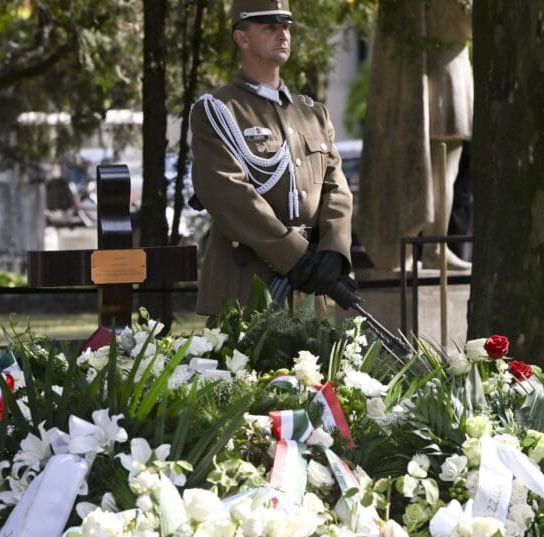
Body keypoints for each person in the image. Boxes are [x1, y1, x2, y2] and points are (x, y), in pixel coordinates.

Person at [190, 0, 356, 317]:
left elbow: (337, 188)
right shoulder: (218, 110)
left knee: (319, 368)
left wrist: (334, 250)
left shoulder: (312, 112)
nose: (282, 34)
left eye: (286, 27)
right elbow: (228, 194)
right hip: (244, 287)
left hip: (312, 286)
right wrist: (293, 255)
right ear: (242, 37)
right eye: (269, 26)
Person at [355, 0, 473, 271]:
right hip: (442, 73)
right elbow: (469, 24)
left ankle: (432, 247)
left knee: (445, 171)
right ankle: (425, 248)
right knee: (442, 173)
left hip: (441, 74)